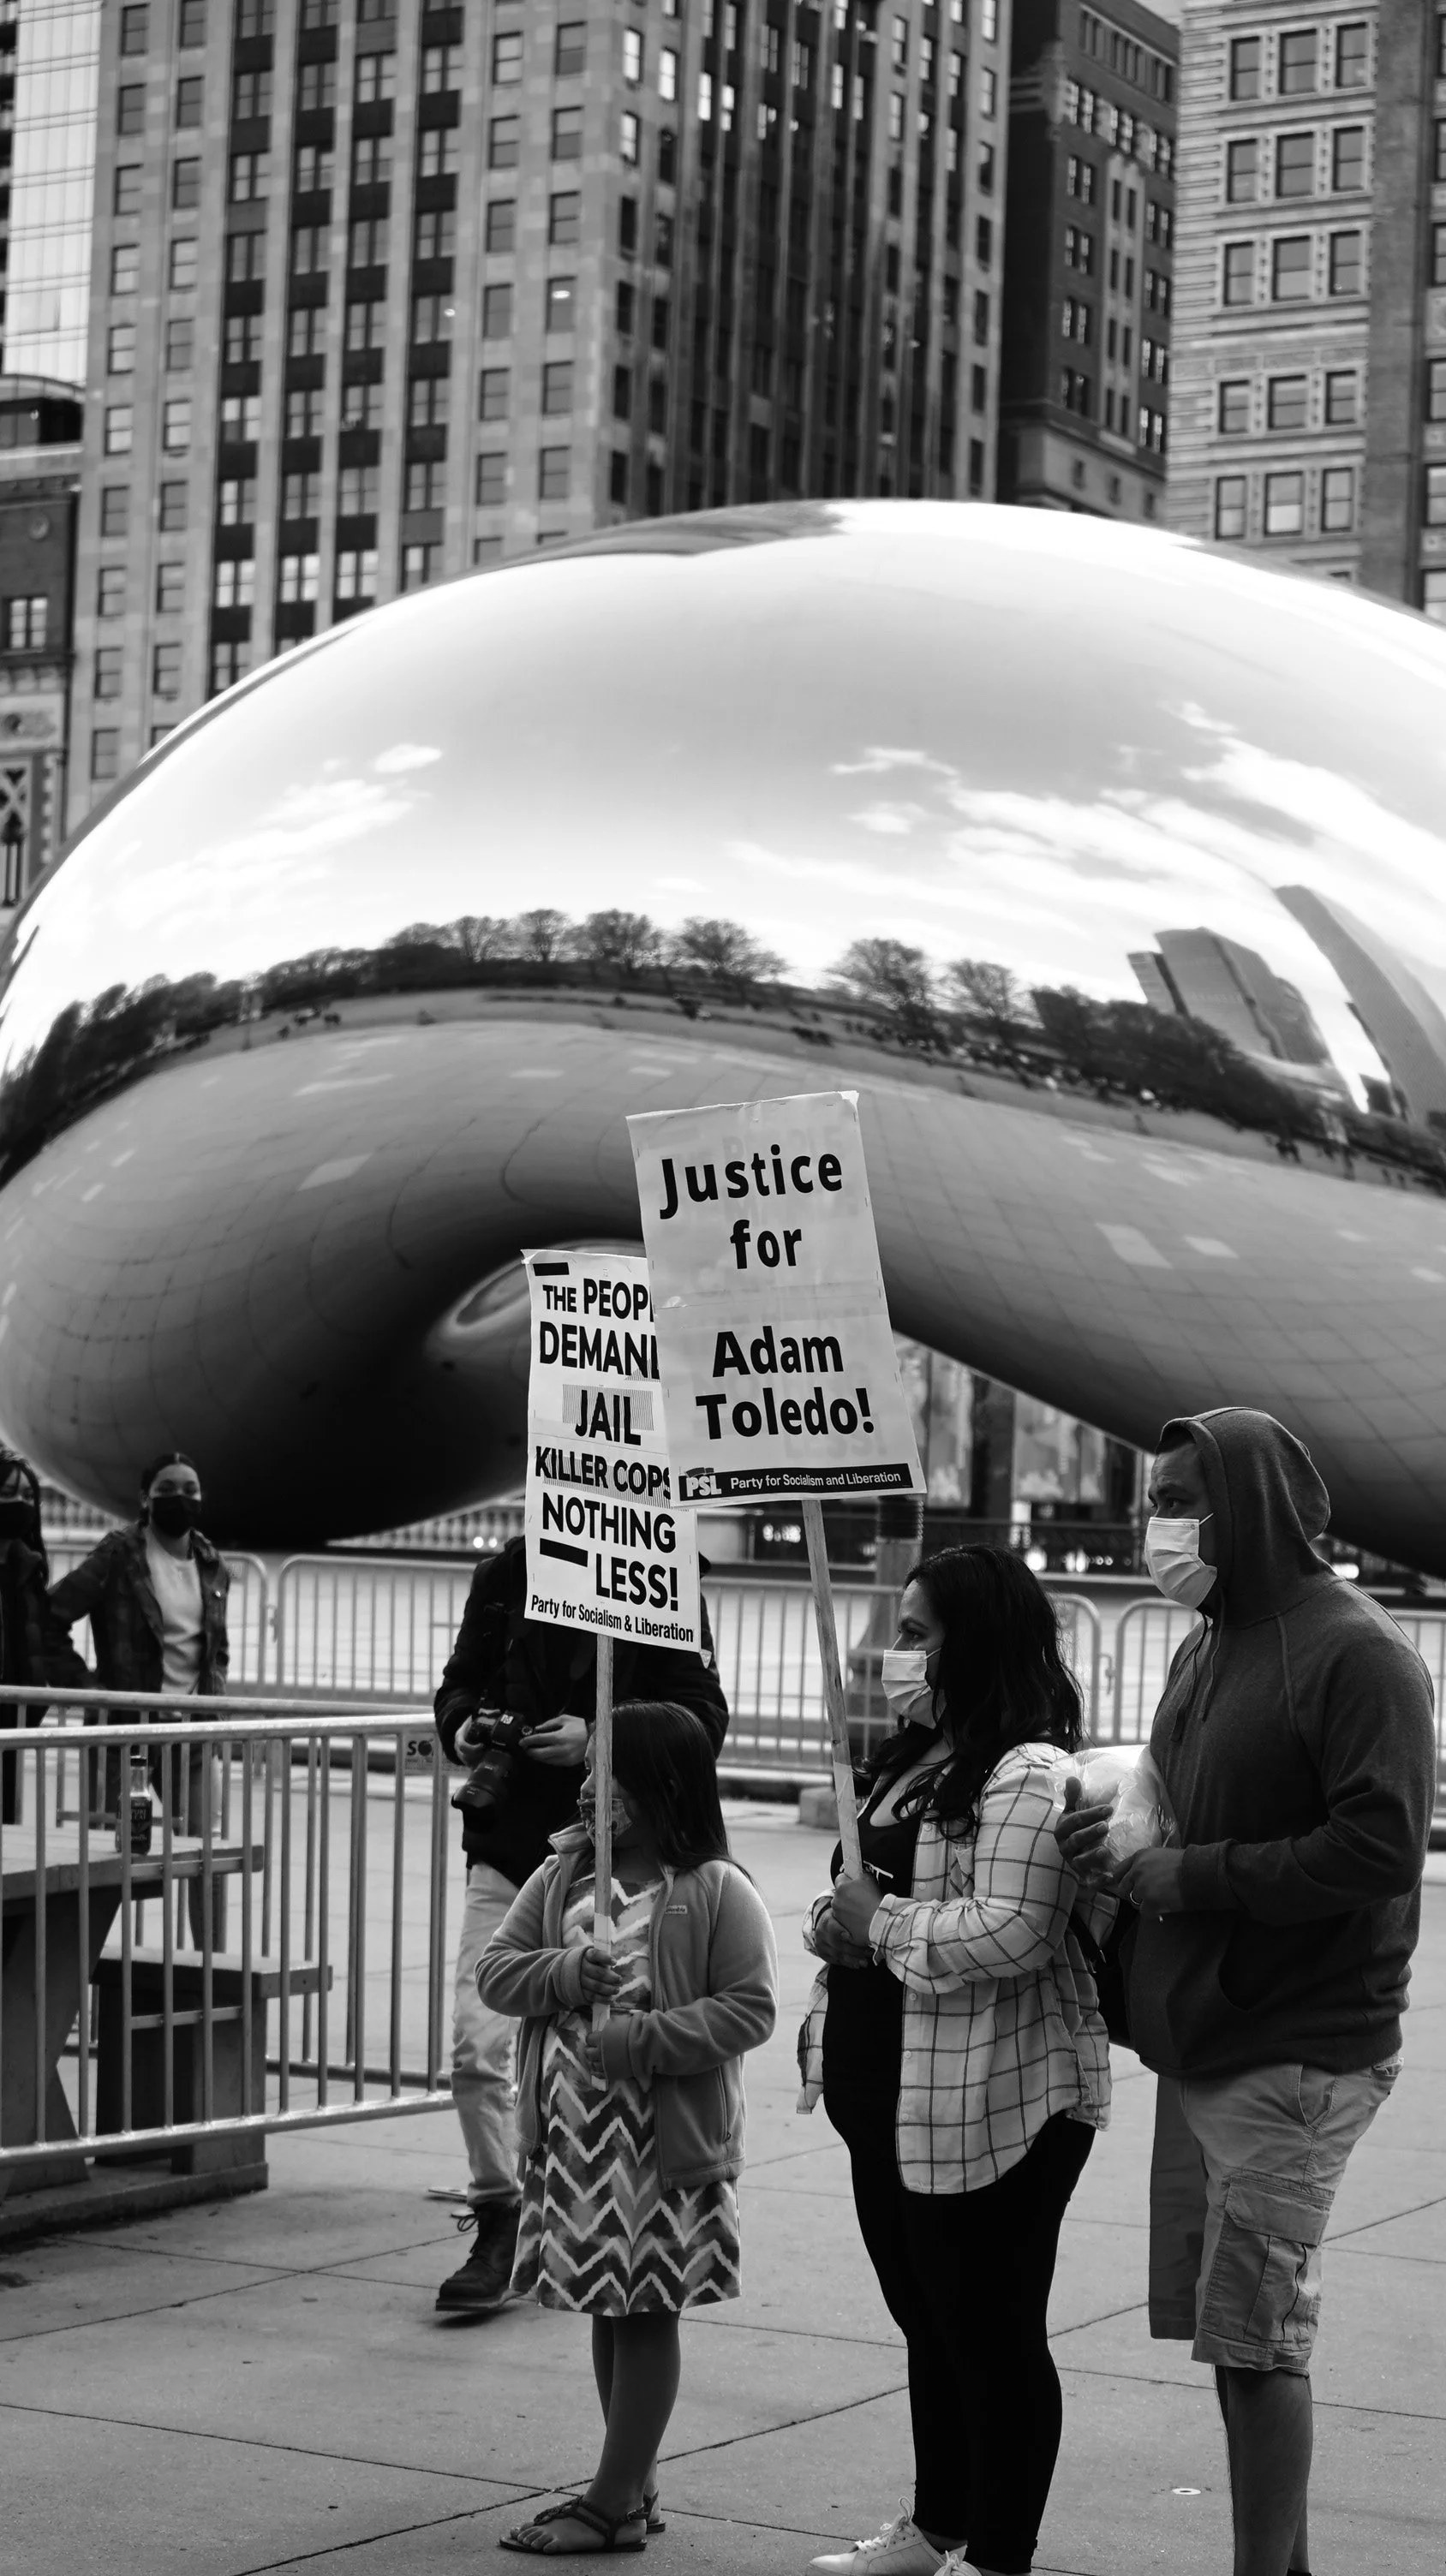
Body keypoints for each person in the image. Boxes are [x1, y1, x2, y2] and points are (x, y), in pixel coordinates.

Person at [1057, 1409, 1437, 2576]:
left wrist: (1185, 1873)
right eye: (1154, 1499)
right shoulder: (1205, 1643)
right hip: (1208, 2039)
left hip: (1299, 2048)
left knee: (1263, 2345)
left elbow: (1378, 1850)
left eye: (1181, 1497)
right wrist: (1118, 1836)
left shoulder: (1358, 1652)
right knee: (1235, 2339)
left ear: (1255, 1507)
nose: (1158, 1523)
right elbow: (1184, 1806)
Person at [799, 1547, 1111, 2576]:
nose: (896, 1653)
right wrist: (834, 1925)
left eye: (917, 1632)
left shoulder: (1027, 1772)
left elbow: (1016, 1928)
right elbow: (845, 1894)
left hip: (999, 2098)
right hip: (884, 2097)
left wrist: (876, 1923)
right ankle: (937, 2526)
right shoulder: (900, 1763)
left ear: (974, 1640)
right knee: (926, 2318)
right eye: (897, 1629)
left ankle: (999, 2555)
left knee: (991, 2327)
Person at [477, 1698, 778, 2555]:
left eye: (600, 1768)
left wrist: (637, 2038)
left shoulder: (713, 1888)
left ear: (658, 1784)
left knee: (644, 2309)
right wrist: (567, 1970)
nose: (583, 1786)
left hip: (663, 2146)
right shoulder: (561, 1874)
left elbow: (748, 2007)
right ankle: (631, 2481)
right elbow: (497, 1973)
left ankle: (609, 2499)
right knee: (609, 2309)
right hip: (575, 2142)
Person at [432, 1535, 730, 2314]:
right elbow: (457, 1686)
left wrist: (596, 1740)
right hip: (508, 1848)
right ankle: (499, 2210)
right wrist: (464, 1727)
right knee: (475, 2045)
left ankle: (584, 2214)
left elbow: (701, 1721)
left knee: (608, 2055)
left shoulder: (656, 1569)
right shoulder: (505, 1573)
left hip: (615, 1858)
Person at [49, 1451, 230, 1946]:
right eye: (168, 1489)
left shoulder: (212, 1563)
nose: (180, 1499)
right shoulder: (120, 1553)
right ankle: (86, 1967)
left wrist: (213, 1699)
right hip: (128, 1737)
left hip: (191, 1735)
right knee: (113, 1857)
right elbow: (51, 1615)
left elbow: (215, 1648)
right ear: (145, 1499)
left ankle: (209, 1970)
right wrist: (86, 1686)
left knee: (206, 1856)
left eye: (190, 1490)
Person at [0, 1449, 89, 1825]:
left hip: (13, 1721)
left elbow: (43, 1639)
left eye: (27, 1496)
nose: (20, 1503)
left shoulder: (28, 1569)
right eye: (7, 1492)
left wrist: (84, 1685)